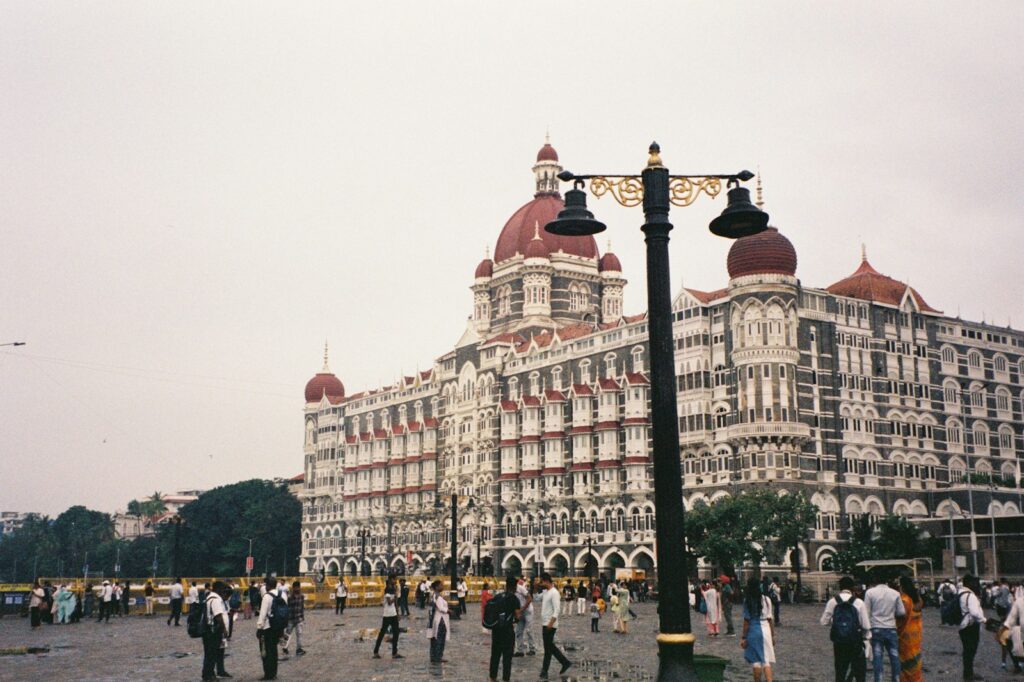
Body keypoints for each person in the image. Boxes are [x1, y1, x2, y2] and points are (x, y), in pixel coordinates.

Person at [821, 576, 870, 682]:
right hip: (855, 641)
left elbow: (823, 622)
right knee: (859, 672)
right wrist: (865, 638)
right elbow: (865, 625)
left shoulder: (833, 602)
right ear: (852, 587)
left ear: (840, 587)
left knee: (840, 671)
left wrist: (837, 623)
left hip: (839, 641)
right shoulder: (858, 602)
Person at [864, 573, 906, 682]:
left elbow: (866, 612)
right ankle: (896, 679)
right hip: (891, 627)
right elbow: (901, 612)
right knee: (894, 655)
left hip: (876, 627)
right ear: (887, 581)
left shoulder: (870, 593)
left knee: (877, 656)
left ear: (875, 581)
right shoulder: (895, 593)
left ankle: (879, 679)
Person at [741, 576, 776, 682]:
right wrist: (773, 635)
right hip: (766, 630)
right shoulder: (766, 599)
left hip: (753, 630)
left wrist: (743, 637)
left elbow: (746, 621)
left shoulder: (747, 601)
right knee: (766, 661)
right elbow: (770, 619)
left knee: (756, 661)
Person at [538, 572, 572, 679]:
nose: (541, 583)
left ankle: (545, 671)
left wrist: (550, 623)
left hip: (550, 624)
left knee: (548, 648)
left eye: (541, 581)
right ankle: (564, 662)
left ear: (546, 581)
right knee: (549, 647)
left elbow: (557, 610)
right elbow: (536, 597)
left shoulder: (554, 593)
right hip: (545, 623)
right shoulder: (545, 592)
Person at [487, 575, 521, 682]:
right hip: (507, 631)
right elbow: (517, 615)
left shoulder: (498, 596)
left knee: (495, 655)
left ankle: (493, 677)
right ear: (515, 587)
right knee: (507, 656)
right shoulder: (514, 598)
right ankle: (506, 679)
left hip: (496, 630)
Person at [201, 580, 232, 681]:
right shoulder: (215, 599)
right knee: (211, 653)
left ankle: (213, 672)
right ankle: (208, 675)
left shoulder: (213, 597)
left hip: (211, 630)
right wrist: (224, 629)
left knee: (213, 652)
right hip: (213, 631)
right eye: (223, 589)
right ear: (218, 589)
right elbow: (218, 616)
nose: (224, 591)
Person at [957, 574, 985, 681]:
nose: (976, 585)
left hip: (963, 626)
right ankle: (968, 675)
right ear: (969, 583)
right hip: (971, 626)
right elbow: (974, 612)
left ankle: (968, 673)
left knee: (967, 651)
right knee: (971, 650)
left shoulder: (960, 592)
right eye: (974, 582)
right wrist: (984, 620)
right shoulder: (970, 595)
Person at [896, 575, 923, 682]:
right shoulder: (918, 599)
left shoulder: (904, 600)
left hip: (905, 634)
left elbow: (900, 617)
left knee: (906, 662)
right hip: (916, 633)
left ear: (902, 586)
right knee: (915, 659)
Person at [256, 576, 284, 681]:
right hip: (278, 627)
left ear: (268, 585)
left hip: (267, 627)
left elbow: (262, 615)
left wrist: (259, 628)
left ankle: (268, 673)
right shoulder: (282, 594)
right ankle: (274, 673)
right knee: (274, 651)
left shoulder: (267, 597)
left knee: (266, 652)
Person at [373, 577, 402, 659]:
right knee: (382, 633)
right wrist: (395, 597)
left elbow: (395, 603)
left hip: (393, 614)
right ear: (390, 580)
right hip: (387, 615)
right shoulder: (387, 590)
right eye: (394, 579)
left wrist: (398, 613)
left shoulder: (393, 590)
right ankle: (376, 651)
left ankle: (394, 652)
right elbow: (389, 602)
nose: (395, 581)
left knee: (396, 633)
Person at [1000, 582, 1024, 674]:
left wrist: (1004, 627)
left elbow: (1011, 619)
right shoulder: (1019, 601)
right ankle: (1017, 665)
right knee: (1009, 640)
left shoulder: (1019, 601)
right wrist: (1004, 627)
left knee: (1009, 641)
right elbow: (1011, 618)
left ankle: (1017, 665)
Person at [283, 581, 306, 657]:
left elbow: (302, 607)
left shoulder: (301, 596)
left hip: (298, 618)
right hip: (291, 618)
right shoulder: (289, 597)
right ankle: (285, 647)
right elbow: (286, 608)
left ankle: (298, 649)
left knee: (299, 634)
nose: (297, 588)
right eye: (296, 587)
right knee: (287, 634)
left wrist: (303, 617)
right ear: (293, 588)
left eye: (298, 587)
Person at [514, 575, 536, 657]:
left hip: (528, 611)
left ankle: (532, 649)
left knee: (529, 630)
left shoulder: (520, 588)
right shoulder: (510, 591)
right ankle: (520, 650)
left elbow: (530, 599)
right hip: (520, 612)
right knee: (518, 631)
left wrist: (522, 610)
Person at [428, 580, 450, 664]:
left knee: (435, 637)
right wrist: (449, 610)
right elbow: (441, 608)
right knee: (440, 638)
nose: (442, 586)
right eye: (441, 585)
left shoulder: (434, 595)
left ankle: (434, 656)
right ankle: (438, 656)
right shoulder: (438, 597)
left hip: (435, 619)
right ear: (437, 587)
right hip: (441, 619)